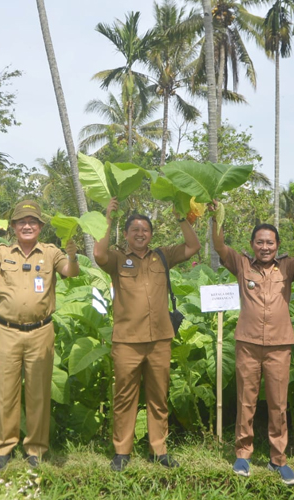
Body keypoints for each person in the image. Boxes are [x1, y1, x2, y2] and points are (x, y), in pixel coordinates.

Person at [211, 203, 294, 485]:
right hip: (247, 343)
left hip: (279, 346)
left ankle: (278, 460)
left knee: (278, 404)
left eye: (269, 242)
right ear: (252, 244)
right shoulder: (242, 263)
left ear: (277, 245)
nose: (264, 247)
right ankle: (243, 454)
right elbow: (220, 247)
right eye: (259, 242)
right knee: (246, 401)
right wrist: (217, 218)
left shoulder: (289, 265)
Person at [0, 200, 79, 471]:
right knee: (5, 393)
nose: (27, 226)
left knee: (38, 393)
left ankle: (35, 450)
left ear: (40, 227)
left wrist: (73, 255)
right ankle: (3, 448)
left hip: (41, 332)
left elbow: (70, 272)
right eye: (21, 222)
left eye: (32, 222)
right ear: (14, 227)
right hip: (6, 331)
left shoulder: (51, 252)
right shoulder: (2, 251)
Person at [93, 198, 200, 472]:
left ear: (151, 234)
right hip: (127, 341)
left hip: (160, 341)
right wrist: (107, 219)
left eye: (145, 230)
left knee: (158, 396)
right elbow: (99, 255)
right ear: (127, 234)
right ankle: (121, 451)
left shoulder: (162, 255)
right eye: (135, 230)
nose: (140, 234)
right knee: (124, 397)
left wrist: (180, 218)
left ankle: (158, 450)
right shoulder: (118, 258)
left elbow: (193, 246)